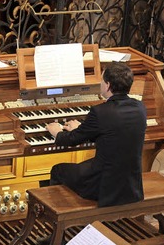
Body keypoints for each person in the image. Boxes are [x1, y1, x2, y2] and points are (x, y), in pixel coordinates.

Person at [45, 62, 146, 207]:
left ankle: (60, 217)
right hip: (131, 183)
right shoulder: (140, 107)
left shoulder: (100, 112)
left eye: (101, 80)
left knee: (58, 170)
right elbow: (113, 131)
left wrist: (57, 133)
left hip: (103, 185)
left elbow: (71, 140)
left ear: (108, 85)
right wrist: (84, 128)